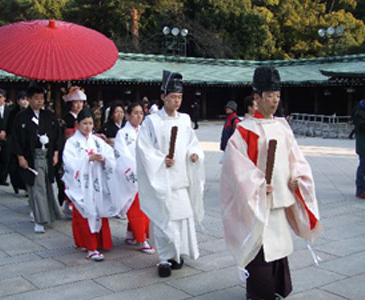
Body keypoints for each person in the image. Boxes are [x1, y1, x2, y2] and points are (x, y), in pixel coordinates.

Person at [220, 67, 322, 300]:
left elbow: (294, 157)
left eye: (277, 95)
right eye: (269, 95)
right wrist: (256, 184)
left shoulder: (282, 126)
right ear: (256, 98)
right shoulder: (244, 131)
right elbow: (235, 168)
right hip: (257, 203)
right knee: (260, 248)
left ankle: (276, 290)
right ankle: (258, 293)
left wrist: (297, 177)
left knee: (279, 247)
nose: (275, 100)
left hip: (280, 200)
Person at [136, 70, 205, 278]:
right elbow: (144, 148)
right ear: (163, 96)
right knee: (164, 219)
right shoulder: (152, 121)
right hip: (162, 178)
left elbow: (193, 143)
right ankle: (164, 258)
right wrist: (160, 160)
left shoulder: (185, 120)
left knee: (182, 218)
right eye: (173, 97)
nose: (177, 101)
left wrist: (194, 154)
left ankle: (178, 254)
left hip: (181, 177)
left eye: (179, 97)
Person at [62, 108, 121, 261]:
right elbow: (70, 163)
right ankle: (90, 247)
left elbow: (110, 155)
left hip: (97, 183)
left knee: (99, 210)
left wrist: (104, 160)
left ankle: (100, 242)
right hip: (82, 184)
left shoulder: (96, 141)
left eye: (90, 123)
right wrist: (88, 159)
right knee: (85, 213)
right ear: (78, 124)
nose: (88, 127)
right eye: (84, 123)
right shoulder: (71, 142)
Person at [12, 85, 63, 233]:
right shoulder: (21, 117)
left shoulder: (49, 115)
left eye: (41, 98)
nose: (40, 101)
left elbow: (57, 135)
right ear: (28, 99)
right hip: (31, 156)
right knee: (36, 187)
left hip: (47, 155)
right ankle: (40, 220)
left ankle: (47, 213)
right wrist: (20, 157)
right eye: (36, 98)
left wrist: (55, 153)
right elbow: (15, 139)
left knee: (47, 186)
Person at [114, 102, 155, 254]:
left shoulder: (143, 131)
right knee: (137, 208)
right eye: (135, 113)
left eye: (141, 113)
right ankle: (141, 239)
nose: (139, 116)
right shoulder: (122, 134)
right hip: (131, 174)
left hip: (145, 173)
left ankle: (131, 234)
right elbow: (122, 155)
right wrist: (135, 171)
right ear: (128, 115)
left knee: (143, 206)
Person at [352, 97, 365, 198]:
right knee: (363, 167)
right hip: (363, 144)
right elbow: (361, 126)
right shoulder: (359, 112)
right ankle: (360, 190)